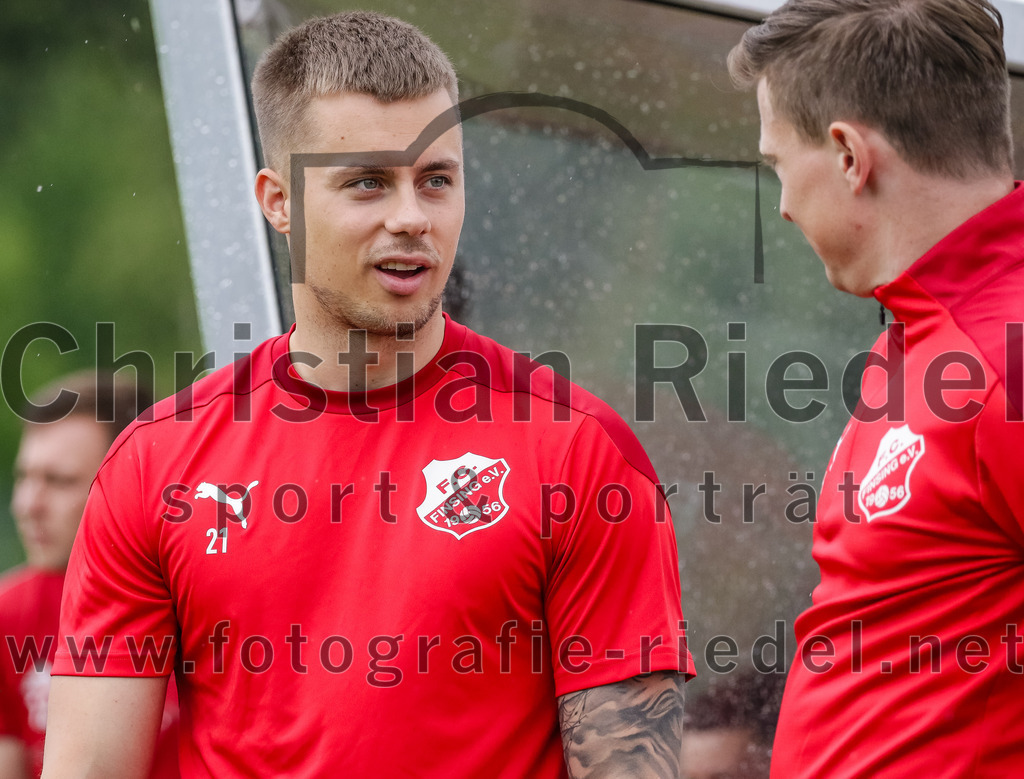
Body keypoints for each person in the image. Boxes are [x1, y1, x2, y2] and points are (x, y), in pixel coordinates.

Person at [43, 12, 692, 777]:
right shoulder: (154, 467)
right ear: (278, 201)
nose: (412, 217)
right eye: (368, 183)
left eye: (437, 180)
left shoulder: (578, 450)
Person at [728, 0, 1023, 775]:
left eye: (777, 164)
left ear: (849, 155)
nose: (784, 204)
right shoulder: (920, 331)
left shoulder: (1006, 350)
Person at [0, 371, 178, 778]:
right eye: (23, 477)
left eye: (58, 481)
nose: (28, 504)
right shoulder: (8, 616)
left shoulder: (202, 600)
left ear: (130, 483)